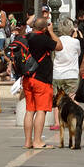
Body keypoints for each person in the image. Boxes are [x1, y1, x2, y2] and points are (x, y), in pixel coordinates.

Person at [22, 16, 61, 151]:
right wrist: (51, 32)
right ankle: (37, 141)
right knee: (41, 110)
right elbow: (59, 46)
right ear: (44, 28)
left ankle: (27, 141)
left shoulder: (26, 37)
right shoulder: (44, 38)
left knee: (29, 110)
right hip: (41, 78)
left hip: (27, 78)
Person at [52, 18, 82, 130]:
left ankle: (57, 123)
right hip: (72, 73)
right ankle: (75, 118)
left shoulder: (56, 40)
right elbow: (78, 54)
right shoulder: (76, 42)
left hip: (58, 73)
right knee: (73, 98)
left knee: (57, 100)